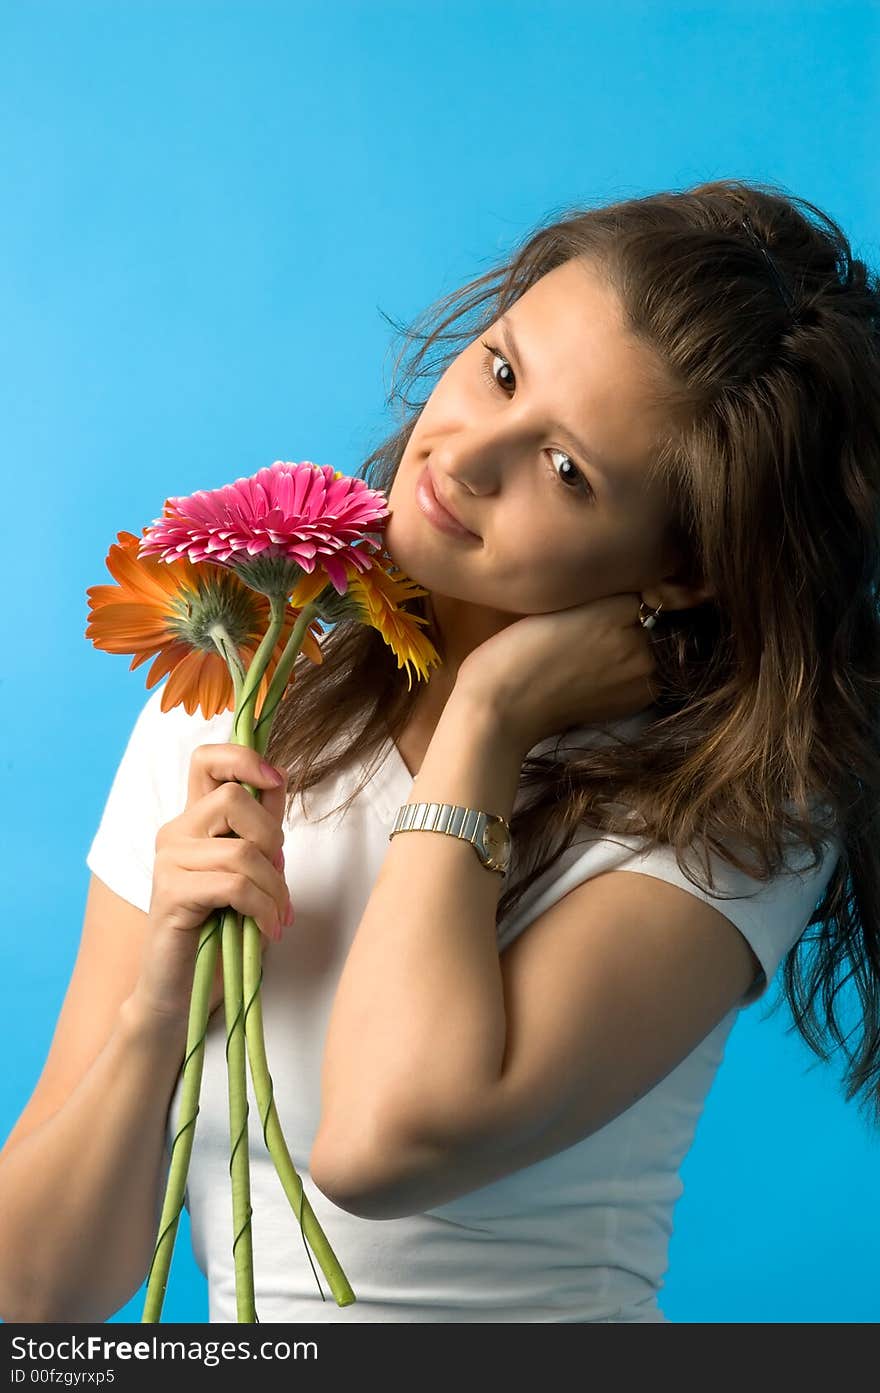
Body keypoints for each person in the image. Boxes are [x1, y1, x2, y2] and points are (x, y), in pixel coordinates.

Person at [1, 176, 876, 1324]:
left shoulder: (730, 800)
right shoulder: (246, 690)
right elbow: (36, 1296)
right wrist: (157, 1005)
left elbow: (380, 1139)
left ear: (685, 567)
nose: (466, 456)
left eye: (567, 470)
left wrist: (485, 718)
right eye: (501, 369)